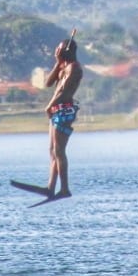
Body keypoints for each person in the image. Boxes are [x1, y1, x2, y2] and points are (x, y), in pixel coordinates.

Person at [43, 36, 83, 197]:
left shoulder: (74, 68)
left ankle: (64, 189)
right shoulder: (63, 66)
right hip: (57, 109)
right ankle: (50, 187)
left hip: (64, 110)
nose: (57, 52)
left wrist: (49, 105)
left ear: (67, 51)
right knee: (52, 150)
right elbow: (48, 83)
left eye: (60, 50)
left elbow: (63, 91)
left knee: (59, 150)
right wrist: (57, 62)